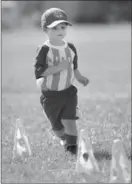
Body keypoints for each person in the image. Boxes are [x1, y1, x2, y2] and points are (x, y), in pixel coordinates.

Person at [34, 7, 89, 155]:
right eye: (55, 28)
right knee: (58, 129)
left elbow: (74, 67)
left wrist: (79, 77)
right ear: (45, 30)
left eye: (63, 27)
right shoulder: (44, 50)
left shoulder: (70, 48)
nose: (60, 30)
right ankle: (63, 138)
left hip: (68, 92)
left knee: (70, 121)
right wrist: (58, 68)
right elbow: (39, 72)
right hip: (51, 95)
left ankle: (72, 149)